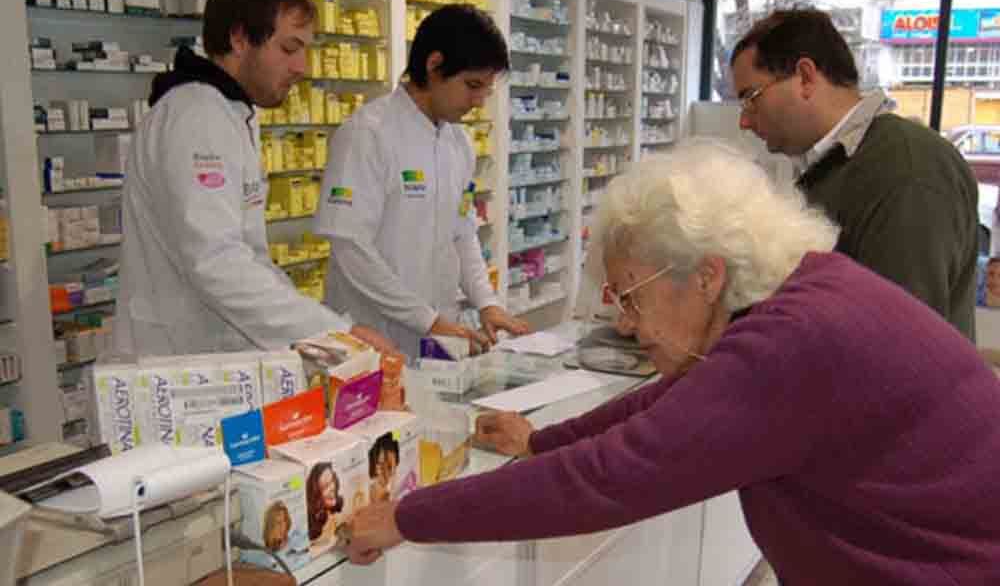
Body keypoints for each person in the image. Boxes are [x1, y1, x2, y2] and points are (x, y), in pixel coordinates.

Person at [340, 140, 1000, 583]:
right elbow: (677, 399)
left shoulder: (793, 342)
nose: (626, 323)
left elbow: (606, 478)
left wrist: (405, 517)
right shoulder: (804, 295)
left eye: (632, 295)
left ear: (706, 276)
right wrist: (542, 439)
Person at [114, 0, 394, 356]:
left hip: (211, 359)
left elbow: (250, 258)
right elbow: (216, 261)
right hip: (175, 365)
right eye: (289, 49)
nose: (301, 68)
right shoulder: (198, 117)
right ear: (240, 39)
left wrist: (319, 330)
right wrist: (334, 332)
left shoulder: (231, 112)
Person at [730, 9, 979, 340]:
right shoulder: (831, 167)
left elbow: (900, 344)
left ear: (805, 77)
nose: (744, 121)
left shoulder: (907, 169)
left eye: (751, 98)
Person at [313, 4, 530, 359]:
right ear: (433, 65)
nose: (478, 101)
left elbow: (462, 233)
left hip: (439, 332)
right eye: (471, 85)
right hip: (375, 336)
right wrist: (426, 320)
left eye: (485, 90)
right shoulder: (367, 135)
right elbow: (352, 250)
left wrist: (486, 302)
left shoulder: (458, 143)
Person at [306, 463, 344, 546]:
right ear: (316, 493)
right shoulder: (312, 522)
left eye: (332, 481)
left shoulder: (337, 509)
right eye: (326, 486)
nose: (332, 488)